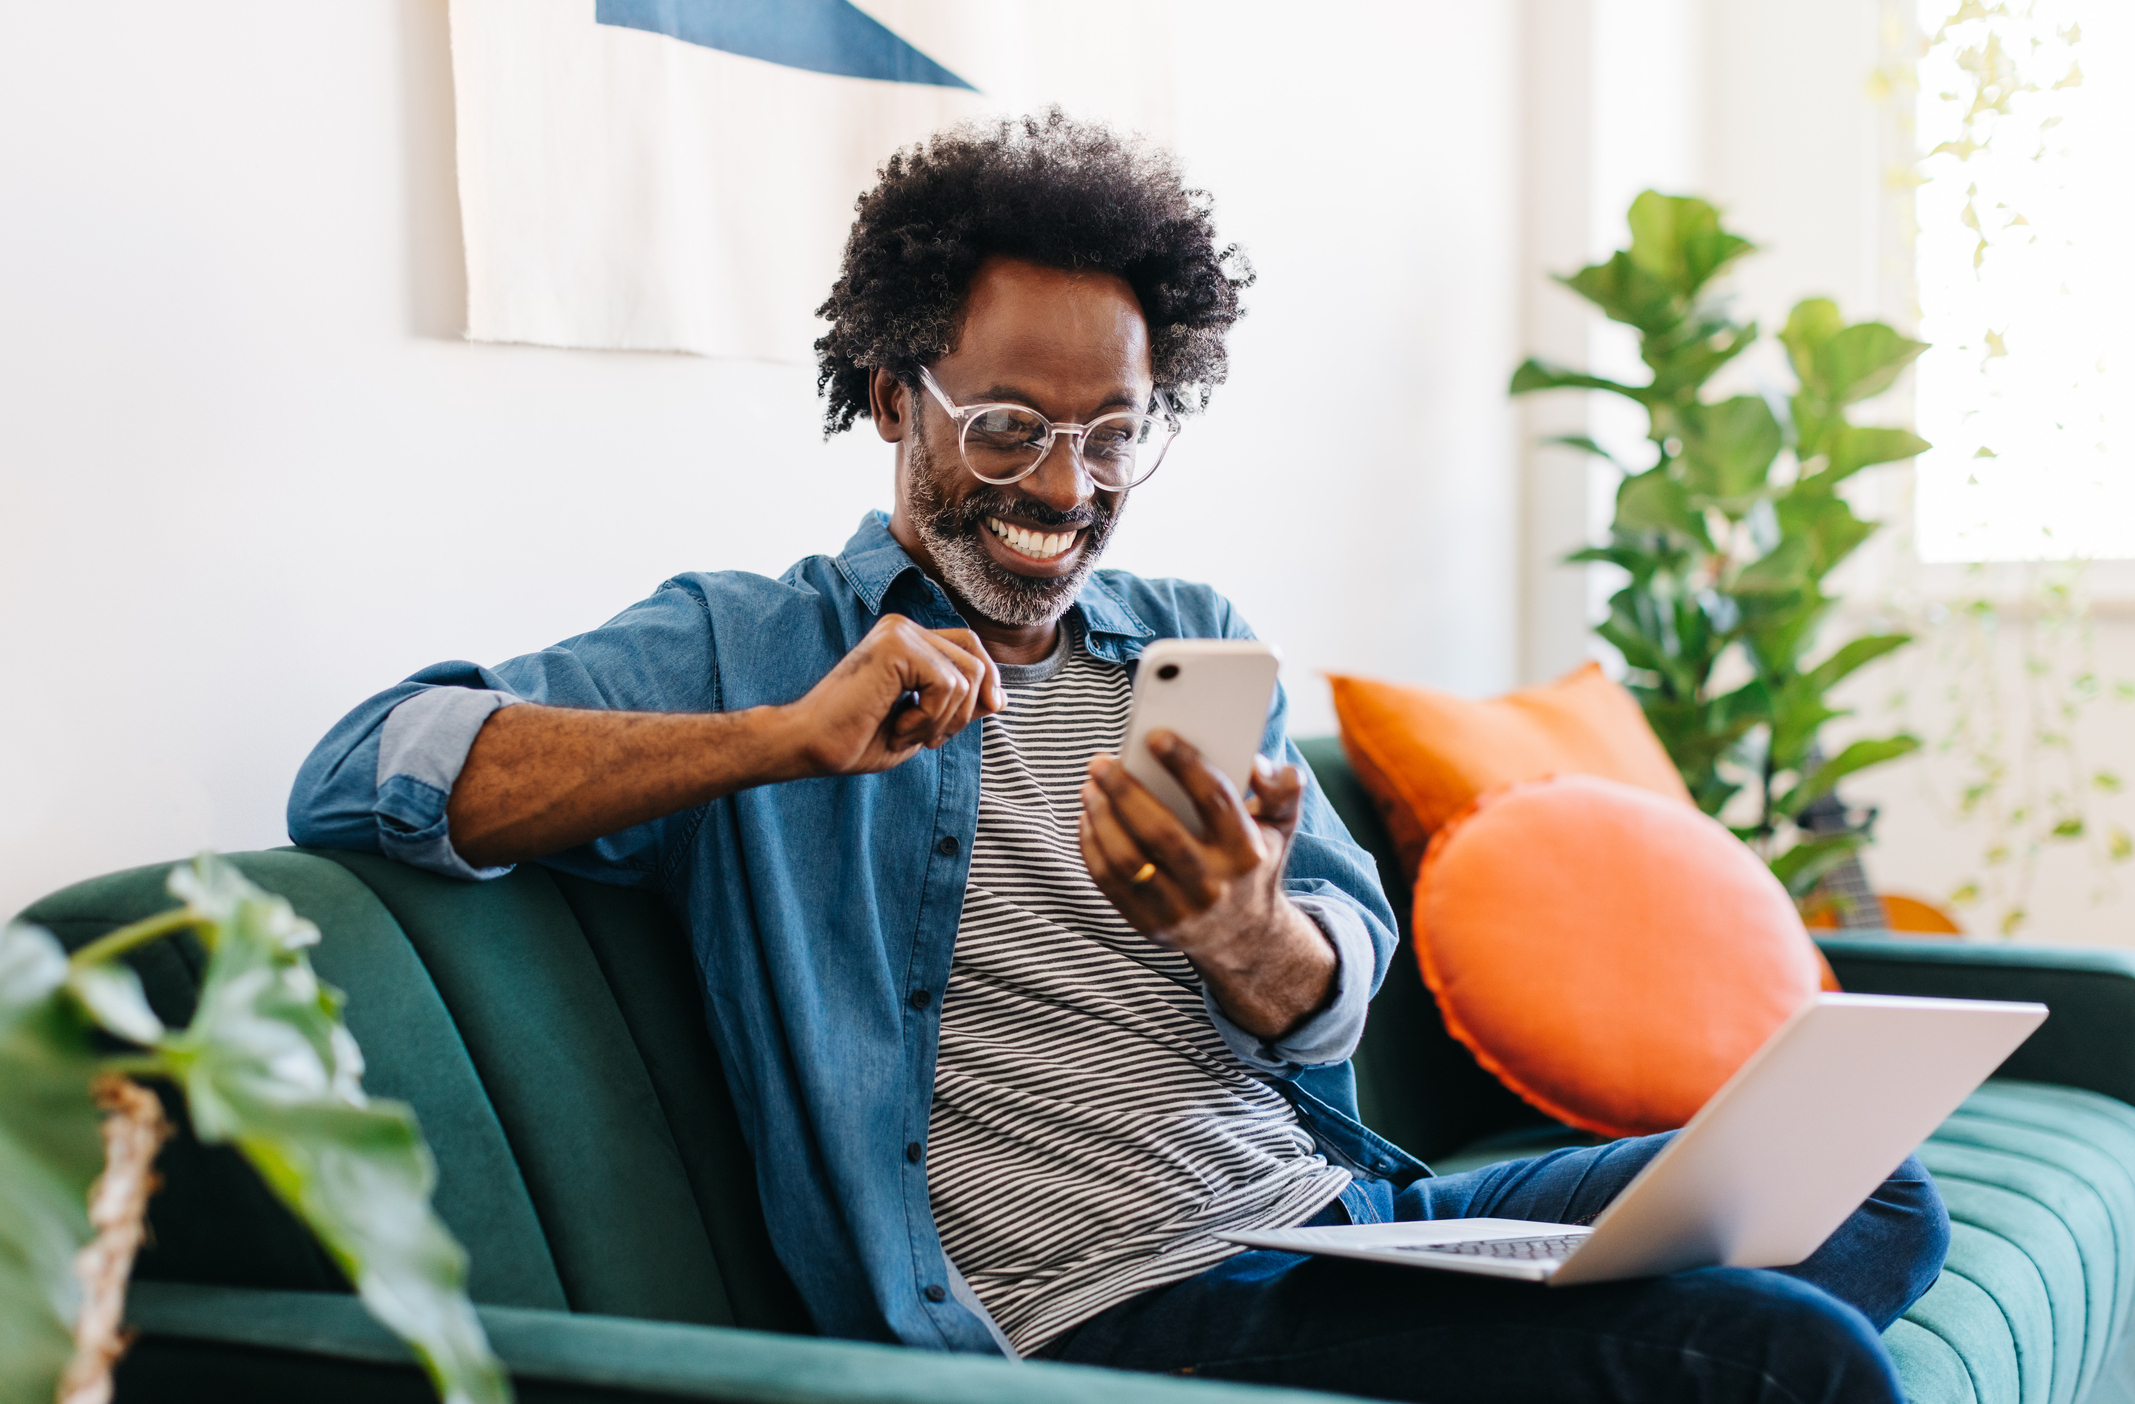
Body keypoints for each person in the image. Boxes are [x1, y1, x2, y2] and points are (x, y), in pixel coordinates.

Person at [289, 110, 1947, 1402]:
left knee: (1872, 1191)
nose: (1065, 491)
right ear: (891, 395)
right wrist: (780, 742)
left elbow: (1340, 974)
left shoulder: (1188, 635)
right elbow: (375, 763)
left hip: (1339, 1224)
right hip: (1114, 1315)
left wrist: (1251, 935)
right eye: (1009, 425)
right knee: (1769, 1359)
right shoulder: (757, 644)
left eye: (1114, 435)